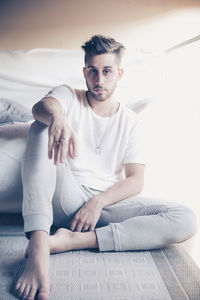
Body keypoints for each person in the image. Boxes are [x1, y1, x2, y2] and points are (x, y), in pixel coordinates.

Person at [15, 35, 196, 300]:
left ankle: (73, 240)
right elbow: (41, 107)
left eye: (107, 71)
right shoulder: (68, 96)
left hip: (105, 207)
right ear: (85, 72)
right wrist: (58, 117)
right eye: (93, 71)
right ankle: (40, 243)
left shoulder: (131, 122)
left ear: (119, 74)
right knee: (40, 128)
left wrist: (98, 202)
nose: (99, 80)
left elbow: (135, 180)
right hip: (65, 196)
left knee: (186, 218)